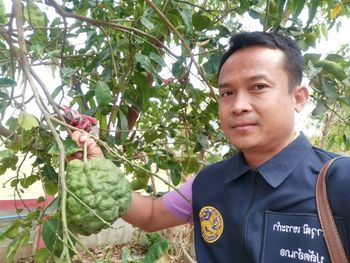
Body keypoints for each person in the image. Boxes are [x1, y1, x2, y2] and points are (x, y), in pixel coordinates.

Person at [70, 31, 350, 262]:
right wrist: (100, 170)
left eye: (258, 87)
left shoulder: (339, 182)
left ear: (298, 98)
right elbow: (152, 215)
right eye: (227, 93)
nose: (238, 106)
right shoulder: (209, 182)